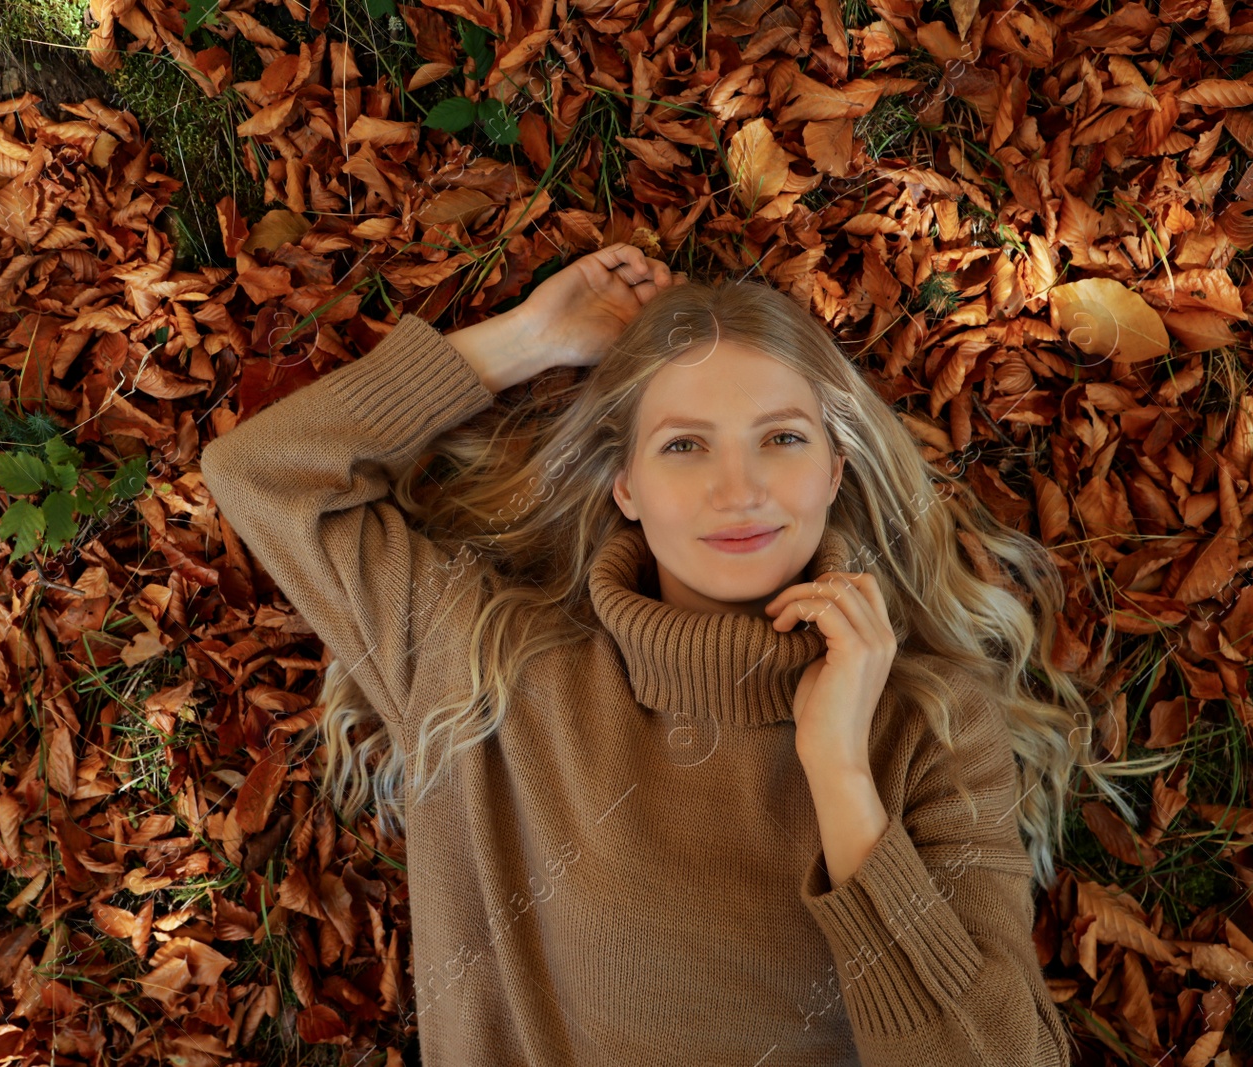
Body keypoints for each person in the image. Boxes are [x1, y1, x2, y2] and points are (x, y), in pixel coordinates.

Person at [199, 243, 1173, 1065]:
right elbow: (265, 474)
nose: (737, 488)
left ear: (836, 469)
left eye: (780, 437)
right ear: (622, 483)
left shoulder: (925, 712)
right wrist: (529, 340)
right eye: (683, 446)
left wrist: (838, 776)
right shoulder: (490, 664)